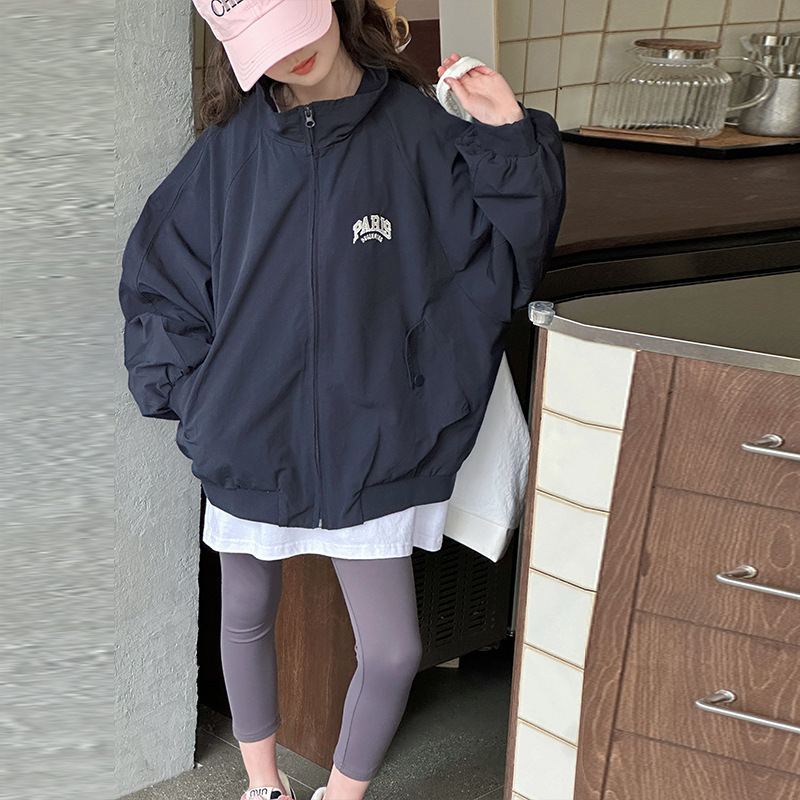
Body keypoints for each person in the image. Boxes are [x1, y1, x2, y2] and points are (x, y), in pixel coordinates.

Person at [118, 1, 566, 798]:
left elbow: (502, 264)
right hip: (250, 432)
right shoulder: (230, 148)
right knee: (244, 613)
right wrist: (197, 398)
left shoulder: (419, 130)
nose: (290, 57)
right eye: (266, 45)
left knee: (392, 650)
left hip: (378, 435)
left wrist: (505, 137)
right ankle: (263, 787)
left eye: (297, 27)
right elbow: (162, 277)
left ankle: (341, 793)